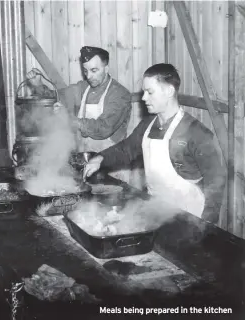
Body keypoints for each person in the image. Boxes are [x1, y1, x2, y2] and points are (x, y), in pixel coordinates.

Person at [83, 64, 226, 223]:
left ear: (169, 91)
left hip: (190, 219)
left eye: (150, 92)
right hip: (157, 211)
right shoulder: (148, 125)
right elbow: (126, 149)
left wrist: (207, 224)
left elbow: (216, 181)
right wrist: (100, 158)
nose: (144, 98)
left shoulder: (197, 133)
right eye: (144, 92)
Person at [26, 46, 132, 154]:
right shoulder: (82, 88)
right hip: (85, 158)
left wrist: (73, 121)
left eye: (94, 70)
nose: (89, 76)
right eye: (85, 71)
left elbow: (104, 128)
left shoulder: (120, 94)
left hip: (113, 163)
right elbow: (56, 97)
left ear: (106, 69)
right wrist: (38, 85)